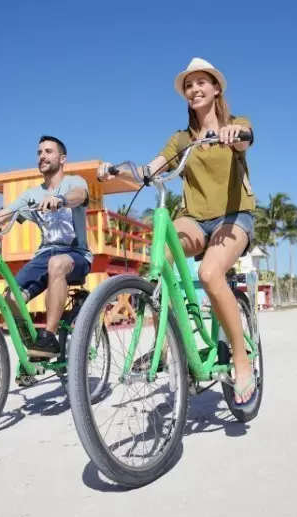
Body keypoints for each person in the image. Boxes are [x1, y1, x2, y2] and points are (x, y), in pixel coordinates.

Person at [98, 58, 257, 405]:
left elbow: (245, 139)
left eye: (201, 82)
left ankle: (241, 361)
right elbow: (150, 169)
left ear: (216, 89)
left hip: (234, 216)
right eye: (189, 85)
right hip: (195, 218)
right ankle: (168, 344)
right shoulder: (181, 139)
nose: (194, 89)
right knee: (158, 262)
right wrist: (116, 171)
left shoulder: (236, 124)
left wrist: (233, 135)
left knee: (210, 273)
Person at [0, 135, 92, 358]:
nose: (42, 156)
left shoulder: (74, 182)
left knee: (57, 263)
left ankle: (49, 337)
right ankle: (33, 349)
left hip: (76, 254)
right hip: (44, 254)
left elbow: (80, 195)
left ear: (62, 158)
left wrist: (60, 200)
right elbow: (3, 215)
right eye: (39, 152)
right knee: (10, 298)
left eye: (48, 151)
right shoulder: (31, 195)